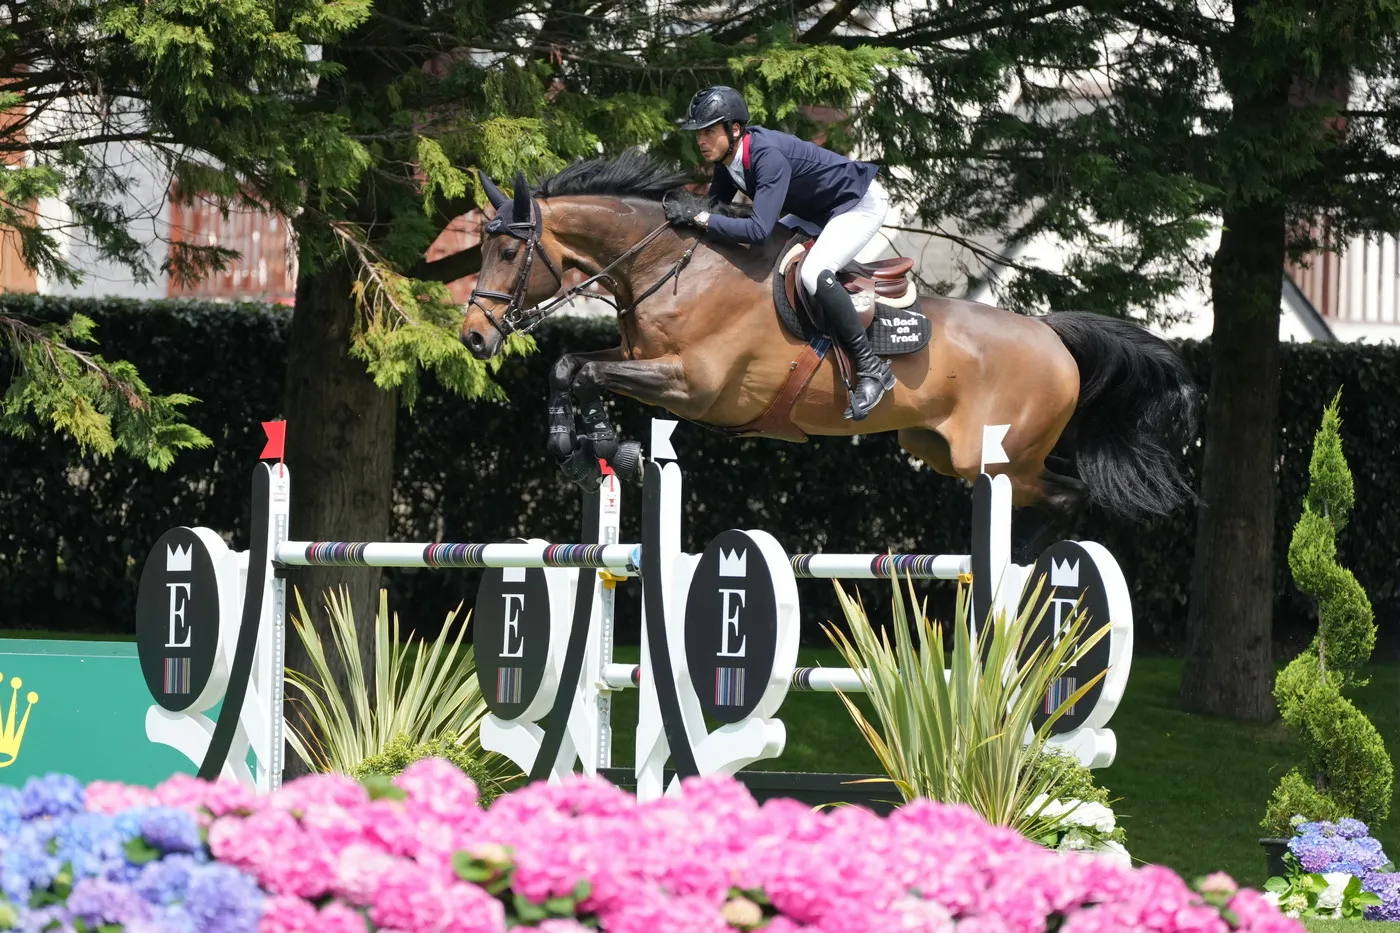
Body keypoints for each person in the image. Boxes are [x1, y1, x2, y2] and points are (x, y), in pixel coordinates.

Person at [664, 86, 896, 421]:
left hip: (857, 203)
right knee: (771, 255)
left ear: (734, 129)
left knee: (813, 273)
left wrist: (699, 218)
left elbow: (756, 230)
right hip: (816, 209)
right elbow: (714, 210)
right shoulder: (727, 161)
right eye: (698, 133)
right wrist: (684, 213)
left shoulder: (766, 156)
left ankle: (871, 367)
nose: (701, 140)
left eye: (709, 131)